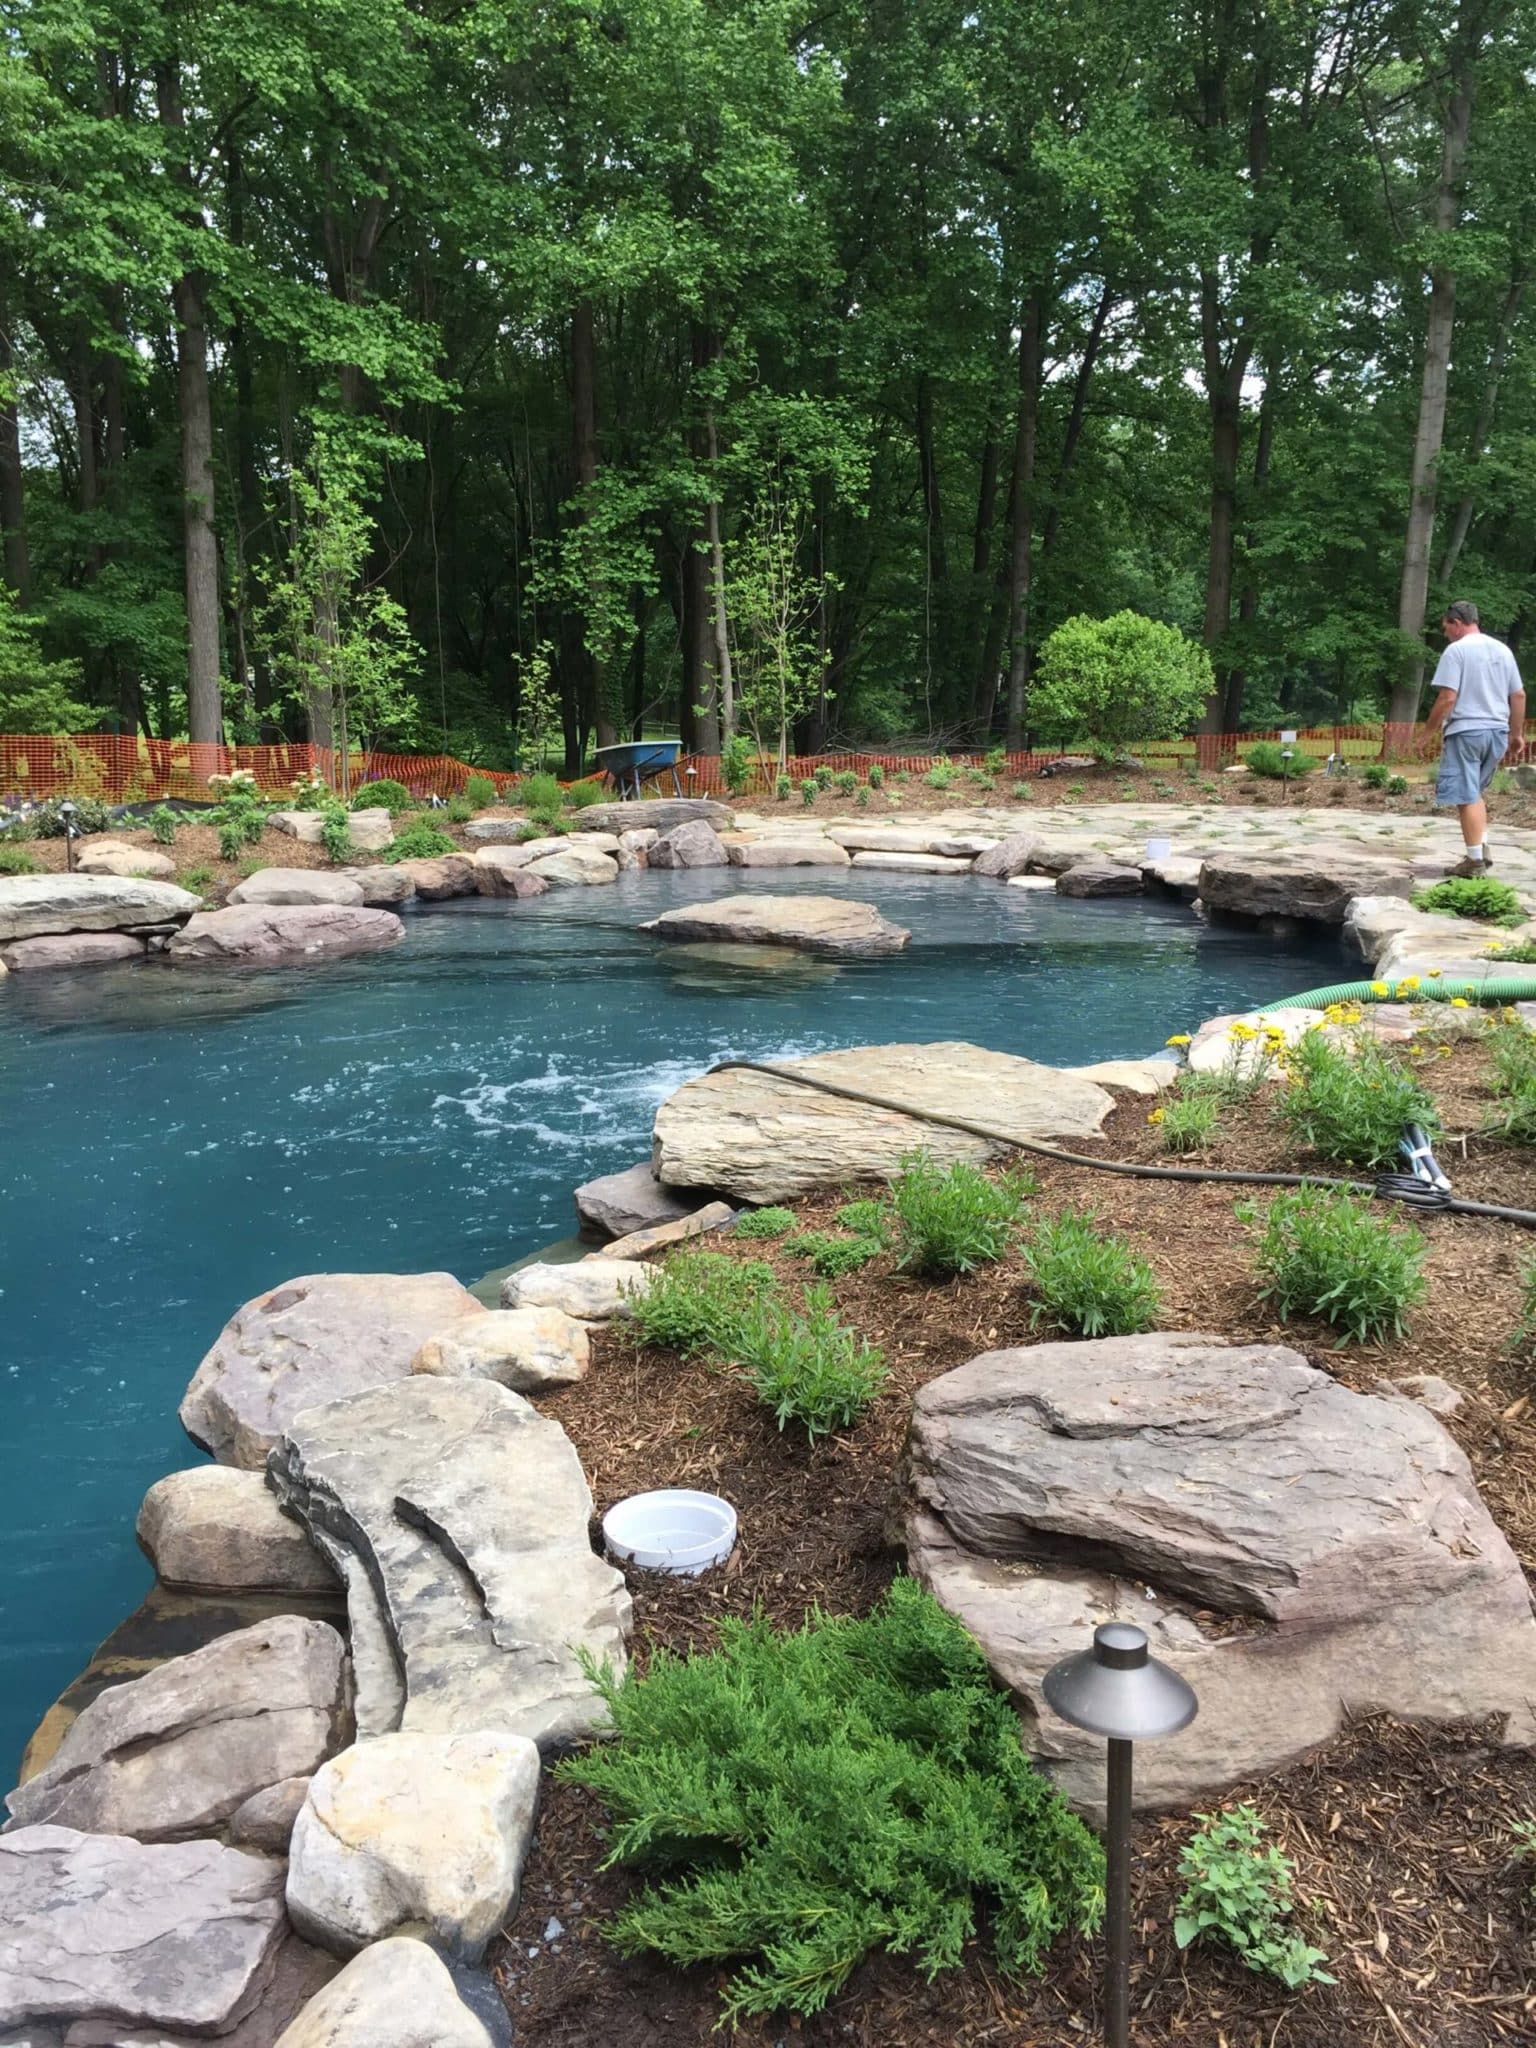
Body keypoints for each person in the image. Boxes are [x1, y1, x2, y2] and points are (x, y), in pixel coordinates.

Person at [1423, 600, 1525, 875]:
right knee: (1475, 793)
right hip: (1497, 733)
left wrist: (1426, 734)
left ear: (1456, 623)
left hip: (1467, 732)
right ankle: (1482, 847)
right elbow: (1518, 695)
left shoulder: (1456, 651)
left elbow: (1447, 698)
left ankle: (1474, 861)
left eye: (1446, 628)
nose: (1446, 633)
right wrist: (1516, 734)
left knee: (1466, 795)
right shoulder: (1502, 650)